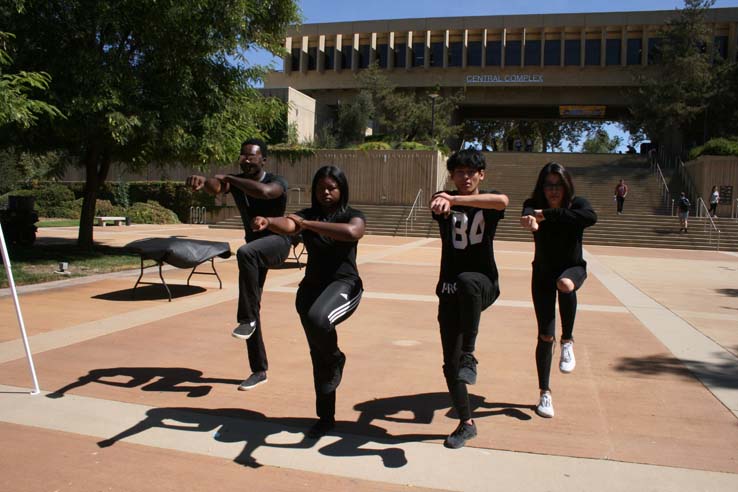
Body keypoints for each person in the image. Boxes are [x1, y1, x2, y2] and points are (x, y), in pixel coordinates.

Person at [252, 165, 366, 438]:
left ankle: (337, 358)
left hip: (345, 286)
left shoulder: (353, 215)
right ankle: (325, 418)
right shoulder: (305, 216)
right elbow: (290, 223)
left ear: (341, 190)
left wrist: (308, 225)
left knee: (320, 325)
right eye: (320, 188)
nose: (325, 192)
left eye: (332, 188)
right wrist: (269, 222)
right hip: (310, 290)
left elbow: (352, 233)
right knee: (318, 357)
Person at [185, 138, 291, 391]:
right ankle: (259, 369)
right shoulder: (234, 181)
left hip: (277, 243)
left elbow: (264, 193)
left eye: (251, 156)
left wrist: (230, 181)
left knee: (245, 253)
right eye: (242, 155)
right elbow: (215, 186)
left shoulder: (277, 182)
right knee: (253, 307)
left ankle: (247, 318)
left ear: (263, 159)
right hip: (254, 252)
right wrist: (202, 181)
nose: (245, 159)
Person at [429, 149, 509, 449]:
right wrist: (443, 201)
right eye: (459, 172)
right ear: (452, 175)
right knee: (450, 365)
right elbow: (437, 203)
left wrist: (457, 199)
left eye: (471, 172)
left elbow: (502, 202)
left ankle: (470, 353)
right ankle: (466, 423)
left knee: (468, 281)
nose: (465, 177)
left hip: (484, 283)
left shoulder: (487, 200)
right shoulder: (443, 197)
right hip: (449, 291)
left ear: (481, 175)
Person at [520, 162, 597, 419]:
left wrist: (550, 215)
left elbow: (590, 218)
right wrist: (531, 219)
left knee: (564, 285)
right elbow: (528, 216)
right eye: (548, 185)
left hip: (572, 269)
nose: (553, 190)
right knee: (544, 336)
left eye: (558, 185)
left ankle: (568, 340)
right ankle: (545, 392)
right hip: (542, 274)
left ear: (566, 186)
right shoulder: (532, 203)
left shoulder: (578, 205)